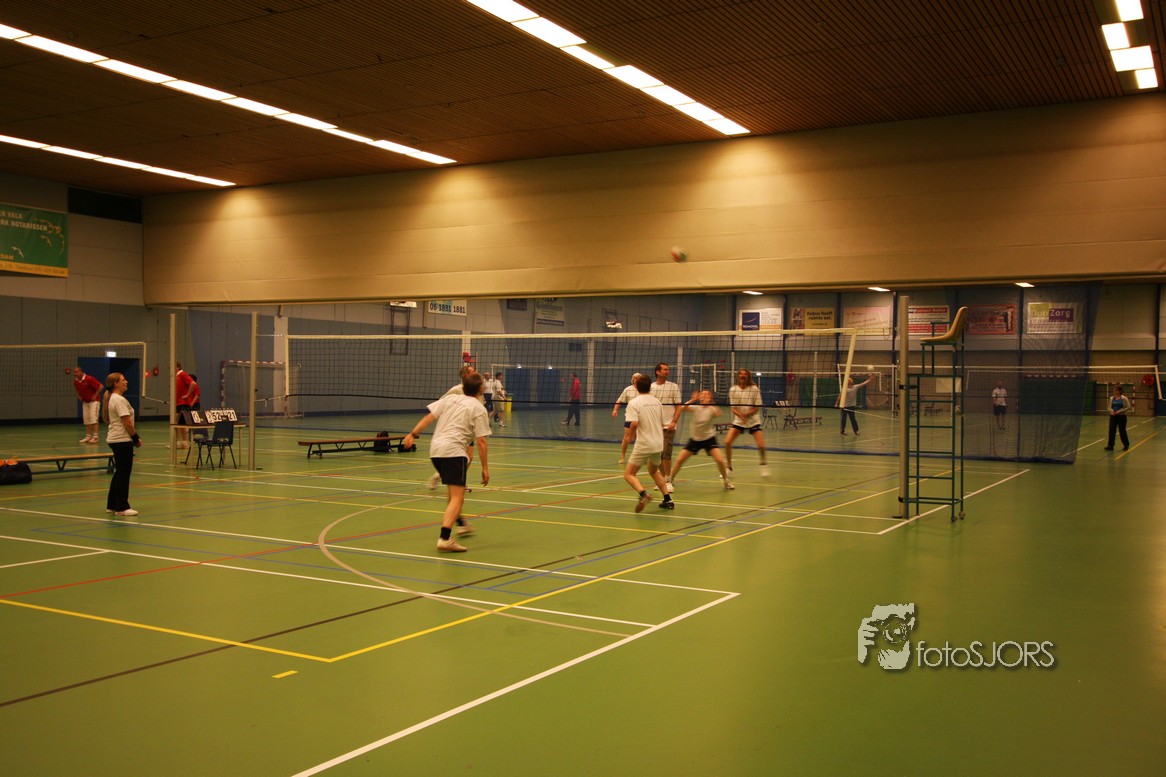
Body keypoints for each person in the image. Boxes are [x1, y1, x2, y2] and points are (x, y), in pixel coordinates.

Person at [403, 371, 491, 552]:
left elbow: (429, 417)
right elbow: (481, 441)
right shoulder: (479, 408)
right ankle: (444, 538)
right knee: (458, 497)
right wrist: (485, 468)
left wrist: (412, 434)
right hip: (454, 452)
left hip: (436, 451)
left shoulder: (450, 399)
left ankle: (461, 524)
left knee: (453, 496)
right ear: (481, 389)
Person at [623, 374, 673, 512]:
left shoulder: (634, 403)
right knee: (653, 470)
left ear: (636, 386)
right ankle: (668, 500)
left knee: (629, 474)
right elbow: (661, 422)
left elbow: (634, 423)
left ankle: (643, 494)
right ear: (649, 387)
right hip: (658, 443)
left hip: (644, 443)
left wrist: (630, 436)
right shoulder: (657, 402)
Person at [670, 389, 733, 489]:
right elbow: (681, 408)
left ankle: (726, 481)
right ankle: (670, 480)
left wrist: (711, 403)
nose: (703, 396)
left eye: (706, 395)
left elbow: (718, 413)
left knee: (720, 460)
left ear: (710, 397)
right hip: (695, 439)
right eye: (702, 394)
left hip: (709, 439)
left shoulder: (712, 409)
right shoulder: (695, 407)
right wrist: (692, 400)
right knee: (680, 459)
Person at [103, 372, 140, 518]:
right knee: (124, 473)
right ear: (116, 383)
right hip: (121, 440)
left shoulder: (114, 398)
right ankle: (122, 507)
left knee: (119, 472)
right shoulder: (118, 400)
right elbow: (127, 422)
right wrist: (135, 438)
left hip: (117, 439)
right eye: (123, 380)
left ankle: (112, 505)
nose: (126, 382)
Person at [724, 368, 769, 477]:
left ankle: (763, 464)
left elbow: (757, 406)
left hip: (753, 420)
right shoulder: (733, 389)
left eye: (745, 374)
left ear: (748, 376)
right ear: (738, 376)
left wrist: (747, 414)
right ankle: (728, 467)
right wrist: (741, 416)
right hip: (739, 421)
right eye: (741, 374)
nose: (743, 376)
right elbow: (733, 408)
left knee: (761, 445)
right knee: (727, 442)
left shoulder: (754, 389)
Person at [650, 362, 682, 493]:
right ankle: (663, 479)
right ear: (657, 372)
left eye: (668, 369)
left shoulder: (673, 386)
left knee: (666, 453)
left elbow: (679, 406)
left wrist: (674, 422)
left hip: (669, 426)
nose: (667, 371)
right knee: (656, 454)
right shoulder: (651, 387)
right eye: (664, 369)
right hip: (655, 426)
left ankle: (668, 480)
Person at [612, 373, 642, 464]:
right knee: (626, 437)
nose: (636, 379)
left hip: (642, 417)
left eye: (638, 378)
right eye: (635, 378)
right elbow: (619, 400)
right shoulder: (628, 389)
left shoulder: (645, 390)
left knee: (639, 438)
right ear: (633, 380)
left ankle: (639, 457)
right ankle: (622, 456)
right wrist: (615, 410)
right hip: (630, 417)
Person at [72, 366, 104, 444]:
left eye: (76, 372)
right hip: (85, 402)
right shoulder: (75, 381)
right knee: (87, 420)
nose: (75, 374)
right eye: (74, 372)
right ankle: (88, 437)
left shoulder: (89, 379)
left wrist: (95, 395)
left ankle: (95, 437)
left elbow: (101, 386)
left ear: (81, 372)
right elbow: (76, 389)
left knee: (93, 418)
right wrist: (79, 396)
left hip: (94, 402)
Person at [1104, 384, 1131, 451]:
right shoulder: (1111, 398)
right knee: (1111, 430)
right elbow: (1109, 407)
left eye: (1116, 390)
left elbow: (1128, 407)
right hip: (1113, 417)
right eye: (1114, 390)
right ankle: (1110, 445)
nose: (1115, 392)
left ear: (1120, 391)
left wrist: (1120, 411)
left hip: (1121, 417)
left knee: (1122, 431)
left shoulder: (1124, 398)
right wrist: (1112, 411)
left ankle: (1126, 445)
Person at [175, 361, 194, 449]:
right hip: (178, 403)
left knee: (181, 423)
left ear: (178, 367)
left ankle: (185, 442)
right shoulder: (176, 376)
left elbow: (192, 383)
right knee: (177, 423)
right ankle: (179, 441)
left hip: (184, 403)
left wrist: (187, 395)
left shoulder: (182, 374)